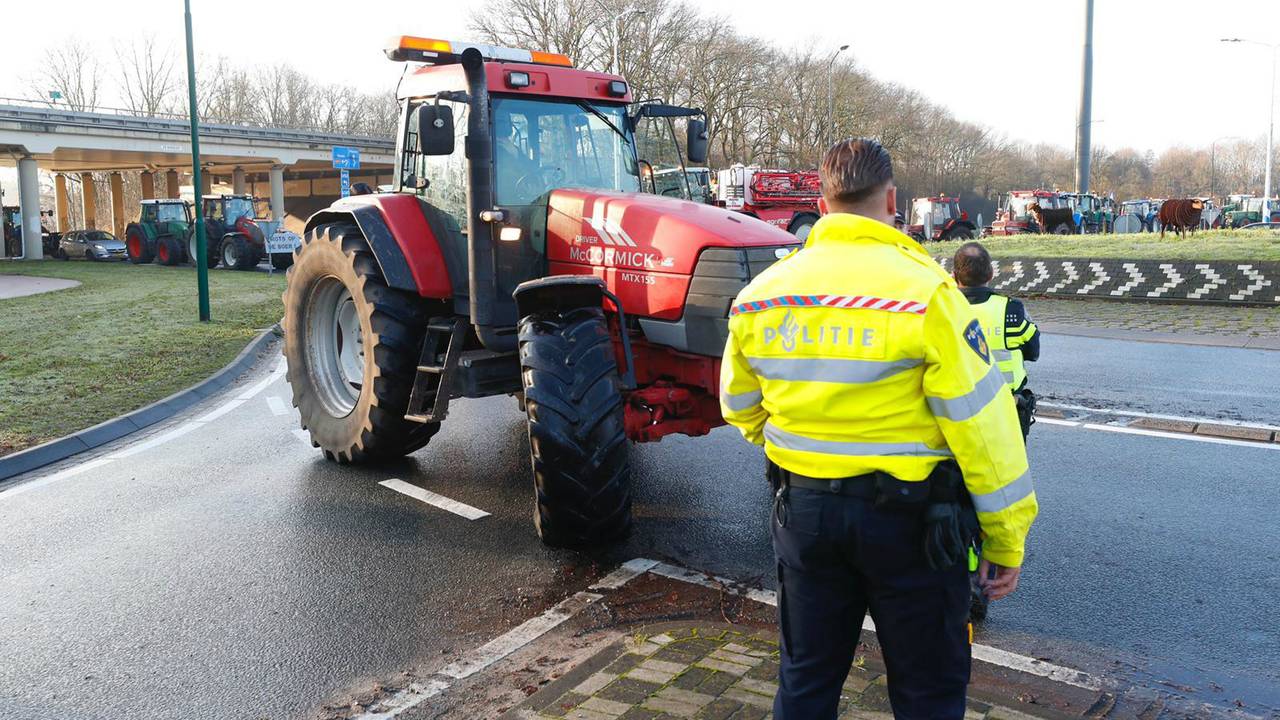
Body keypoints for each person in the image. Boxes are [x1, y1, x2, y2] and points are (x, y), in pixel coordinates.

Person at [720, 138, 1037, 720]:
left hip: (805, 516)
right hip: (913, 529)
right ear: (892, 199)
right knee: (927, 695)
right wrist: (1004, 537)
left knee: (806, 683)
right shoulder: (928, 296)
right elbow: (986, 434)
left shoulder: (760, 297)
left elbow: (739, 407)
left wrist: (804, 452)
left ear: (821, 199)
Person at [952, 242, 1040, 438]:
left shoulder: (943, 310)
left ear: (954, 276)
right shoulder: (1012, 310)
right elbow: (1033, 352)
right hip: (1007, 409)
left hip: (957, 411)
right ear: (991, 274)